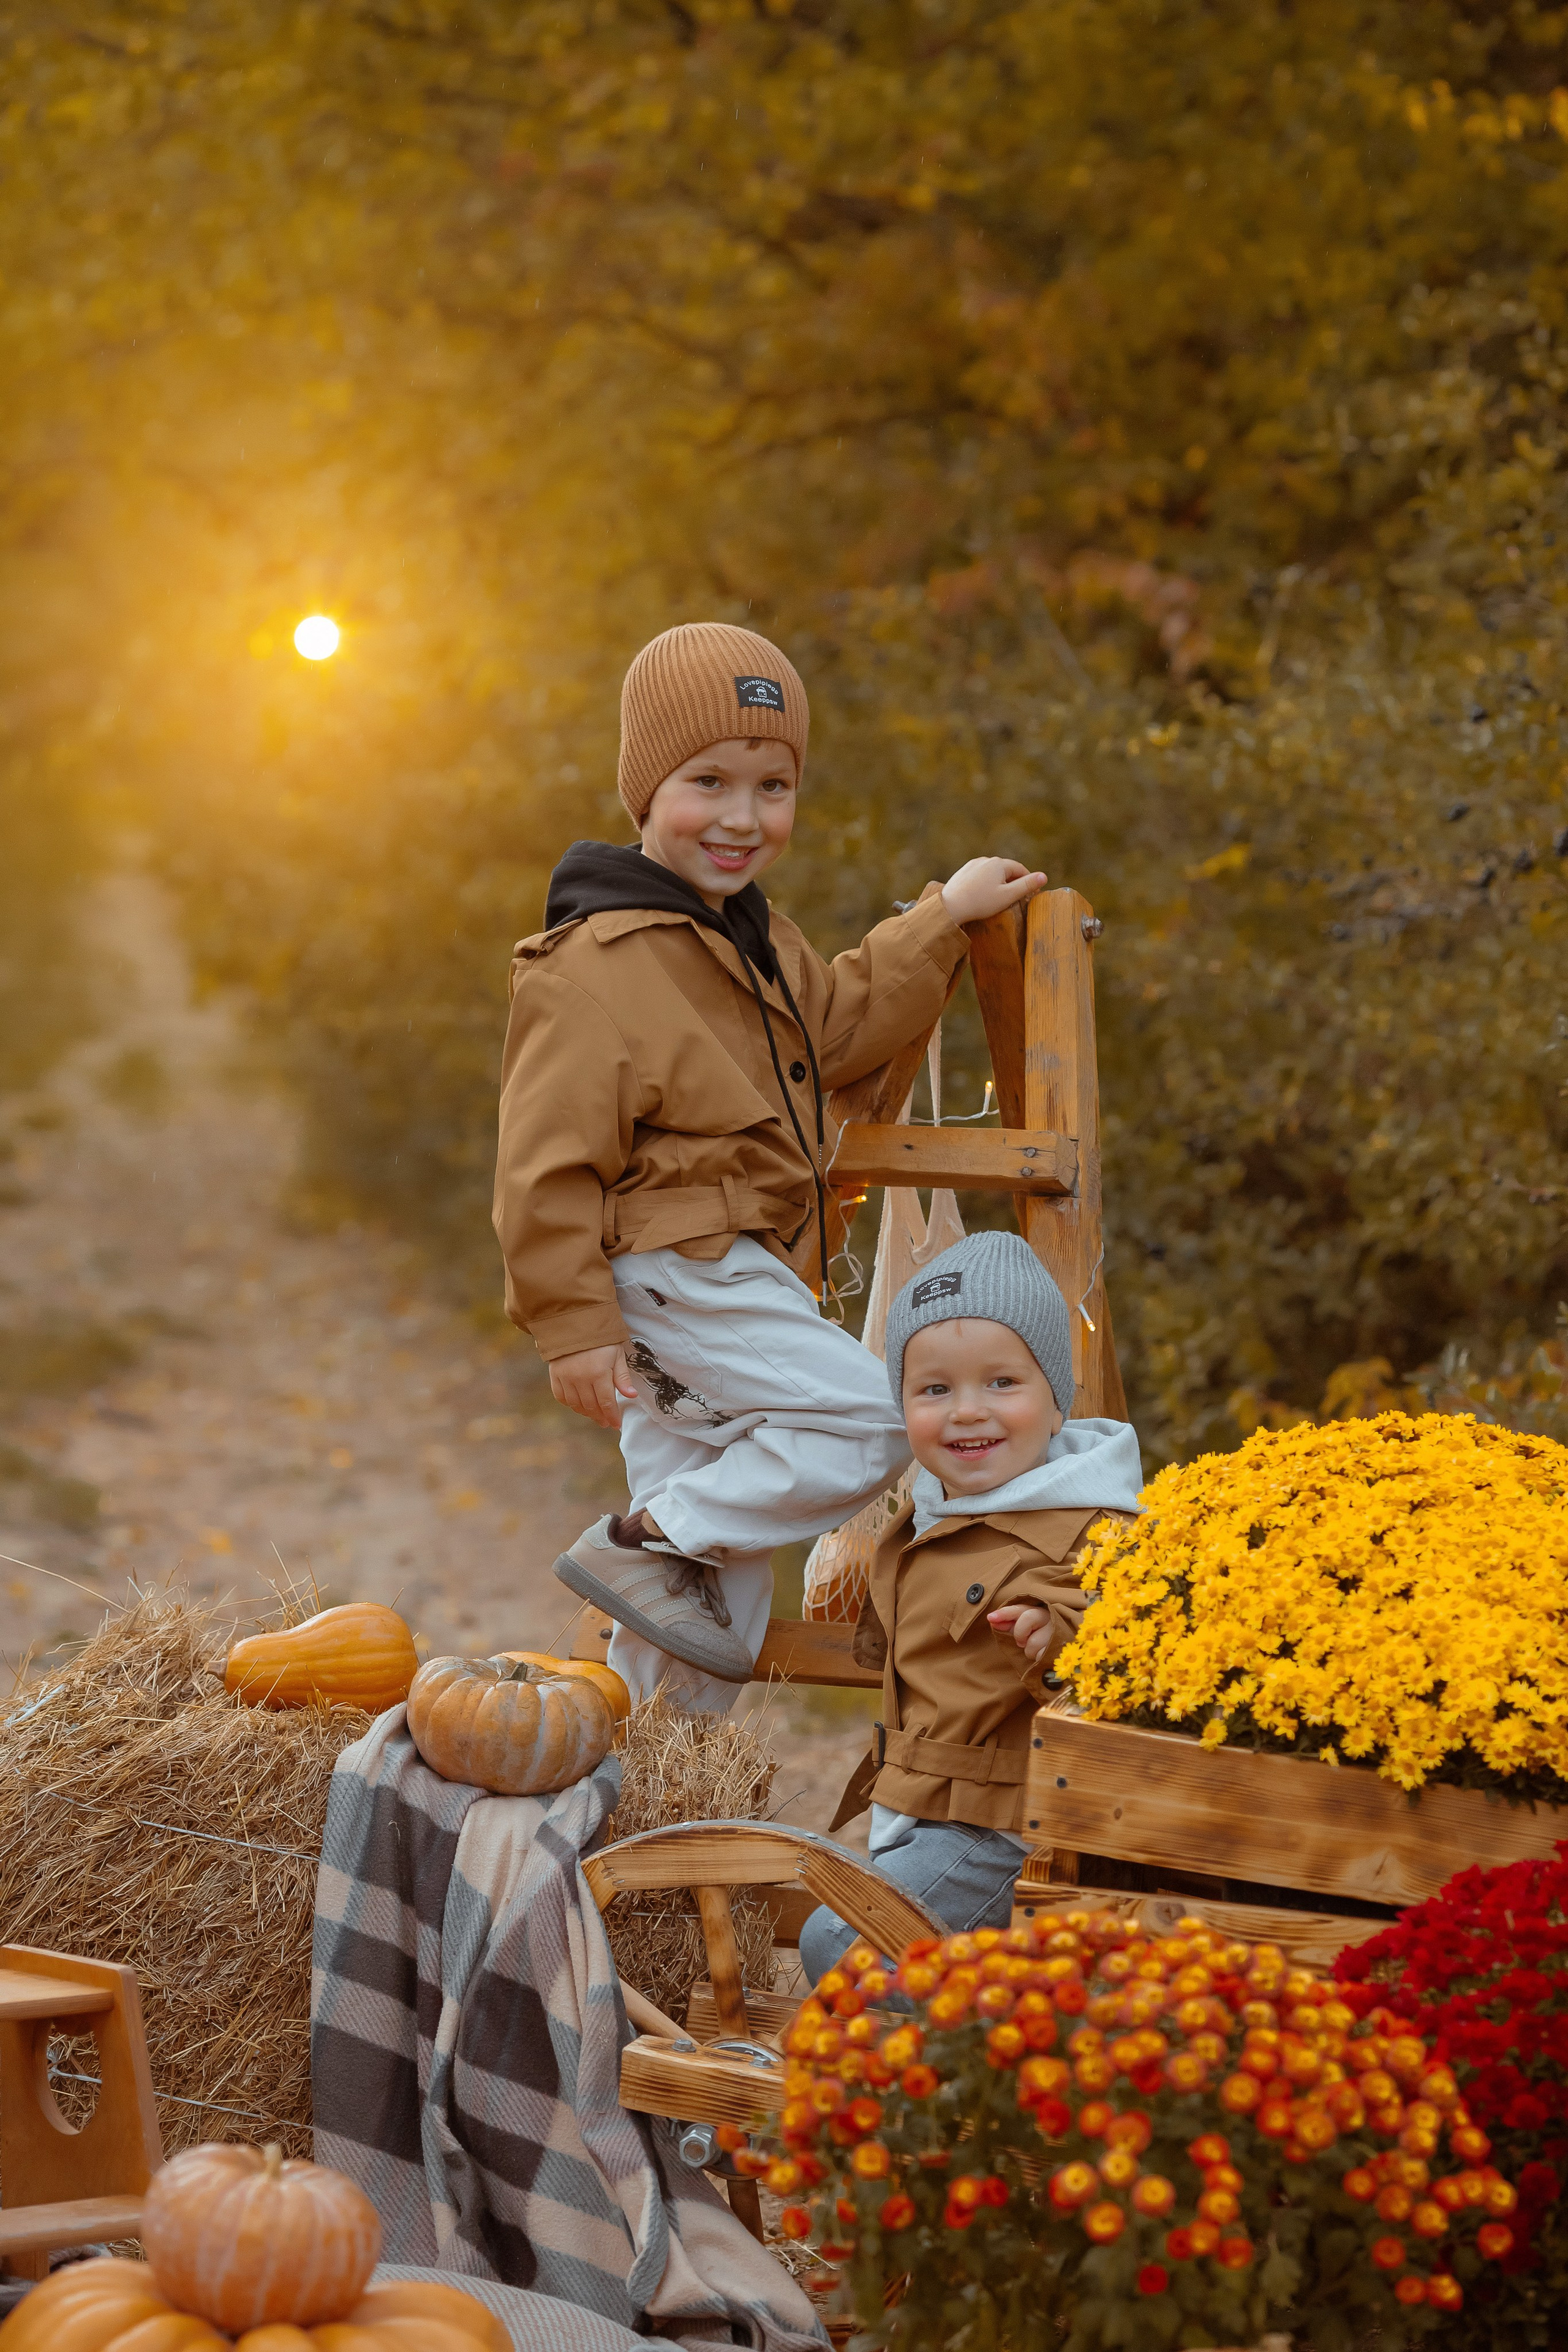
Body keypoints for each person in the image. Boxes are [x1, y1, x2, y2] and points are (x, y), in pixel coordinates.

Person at [492, 619, 1046, 1713]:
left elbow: (837, 1029)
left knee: (706, 1606)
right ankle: (645, 1538)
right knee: (881, 1417)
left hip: (727, 1271)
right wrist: (572, 1323)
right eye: (709, 781)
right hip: (680, 1267)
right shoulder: (593, 964)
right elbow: (545, 1162)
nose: (744, 817)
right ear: (644, 789)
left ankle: (655, 1803)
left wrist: (943, 919)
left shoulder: (757, 941)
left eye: (774, 785)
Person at [796, 1229, 1144, 1981]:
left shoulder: (1088, 1519)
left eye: (1000, 1384)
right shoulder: (935, 1514)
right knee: (851, 1929)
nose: (966, 1412)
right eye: (934, 1390)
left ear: (1056, 1401)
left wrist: (1057, 1631)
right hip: (935, 1813)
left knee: (845, 1946)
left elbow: (1119, 1611)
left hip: (1011, 1828)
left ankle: (942, 2077)